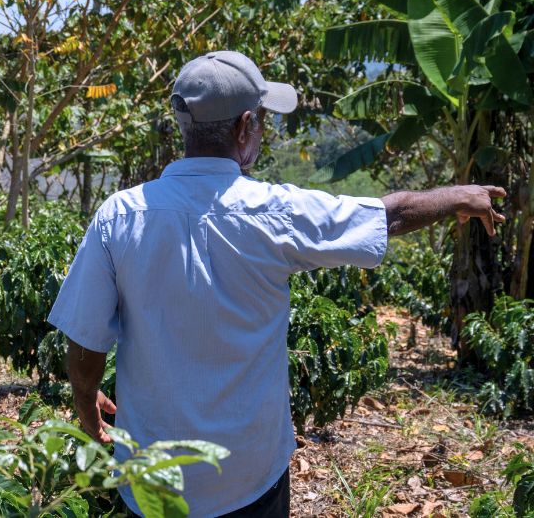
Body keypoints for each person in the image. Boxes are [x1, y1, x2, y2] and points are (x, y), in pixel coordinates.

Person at [48, 51, 506, 517]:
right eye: (262, 121)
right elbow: (388, 215)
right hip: (250, 475)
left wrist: (87, 405)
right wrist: (454, 197)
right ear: (245, 127)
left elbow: (85, 339)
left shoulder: (120, 216)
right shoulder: (275, 212)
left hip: (151, 482)